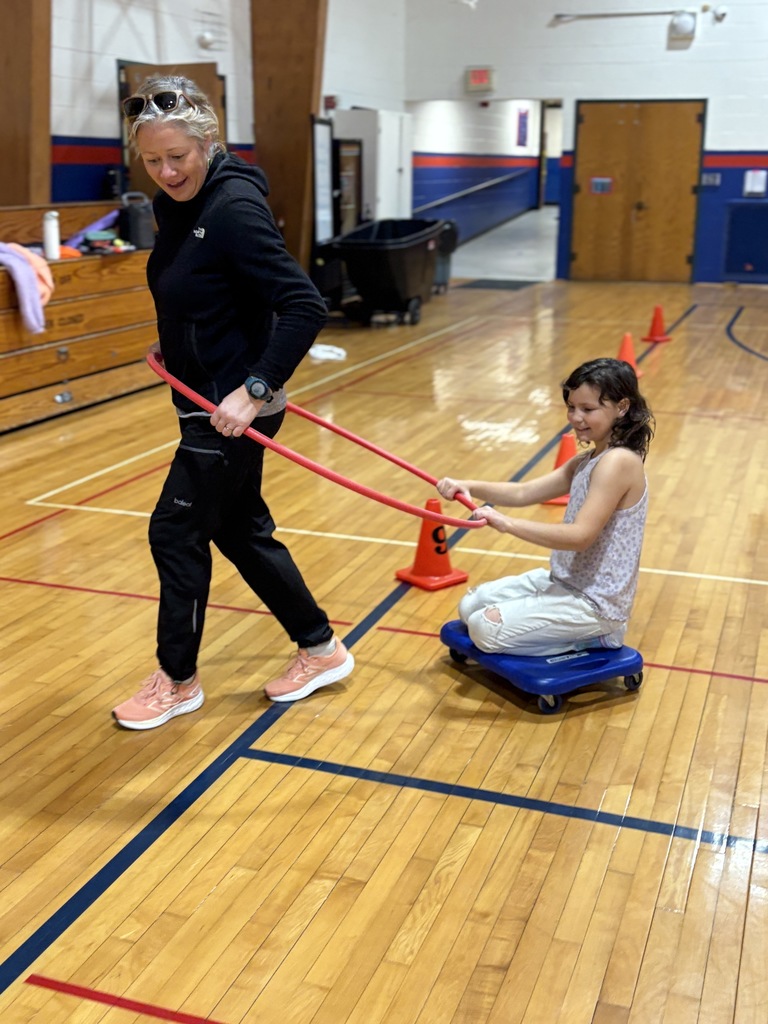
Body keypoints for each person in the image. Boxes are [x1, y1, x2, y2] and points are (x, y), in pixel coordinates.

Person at [112, 75, 353, 729]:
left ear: (208, 142)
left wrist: (254, 390)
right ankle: (320, 648)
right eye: (152, 160)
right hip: (204, 397)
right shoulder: (176, 205)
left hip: (230, 408)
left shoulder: (233, 208)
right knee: (240, 531)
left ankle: (177, 681)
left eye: (177, 157)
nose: (166, 172)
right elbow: (203, 286)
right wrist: (177, 338)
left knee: (175, 531)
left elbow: (304, 304)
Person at [436, 357, 654, 657]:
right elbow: (524, 492)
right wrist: (469, 486)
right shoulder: (587, 460)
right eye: (572, 407)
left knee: (484, 628)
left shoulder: (619, 462)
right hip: (564, 583)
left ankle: (601, 635)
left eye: (588, 409)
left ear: (622, 407)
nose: (576, 417)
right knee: (470, 606)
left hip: (594, 603)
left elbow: (580, 536)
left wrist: (507, 523)